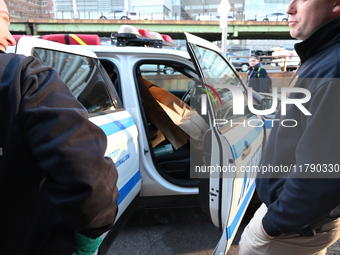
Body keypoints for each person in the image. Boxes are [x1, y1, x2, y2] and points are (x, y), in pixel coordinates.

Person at [0, 1, 119, 254]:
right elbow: (90, 181)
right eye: (2, 19)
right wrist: (91, 236)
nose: (9, 37)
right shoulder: (25, 79)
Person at [239, 0, 340, 254]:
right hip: (298, 222)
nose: (289, 8)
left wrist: (273, 224)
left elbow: (320, 173)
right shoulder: (322, 57)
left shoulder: (333, 67)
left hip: (290, 229)